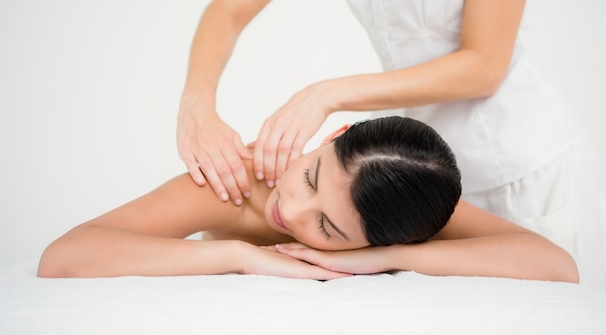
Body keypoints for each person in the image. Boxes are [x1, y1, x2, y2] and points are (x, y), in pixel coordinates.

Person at [176, 0, 606, 289]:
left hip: (518, 164)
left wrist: (328, 93)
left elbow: (485, 65)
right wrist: (197, 107)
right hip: (401, 173)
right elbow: (230, 8)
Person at [37, 116, 578, 282]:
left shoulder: (407, 204)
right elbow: (63, 256)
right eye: (311, 178)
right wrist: (240, 256)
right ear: (330, 136)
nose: (290, 210)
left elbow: (557, 266)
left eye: (328, 229)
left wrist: (387, 258)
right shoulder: (239, 184)